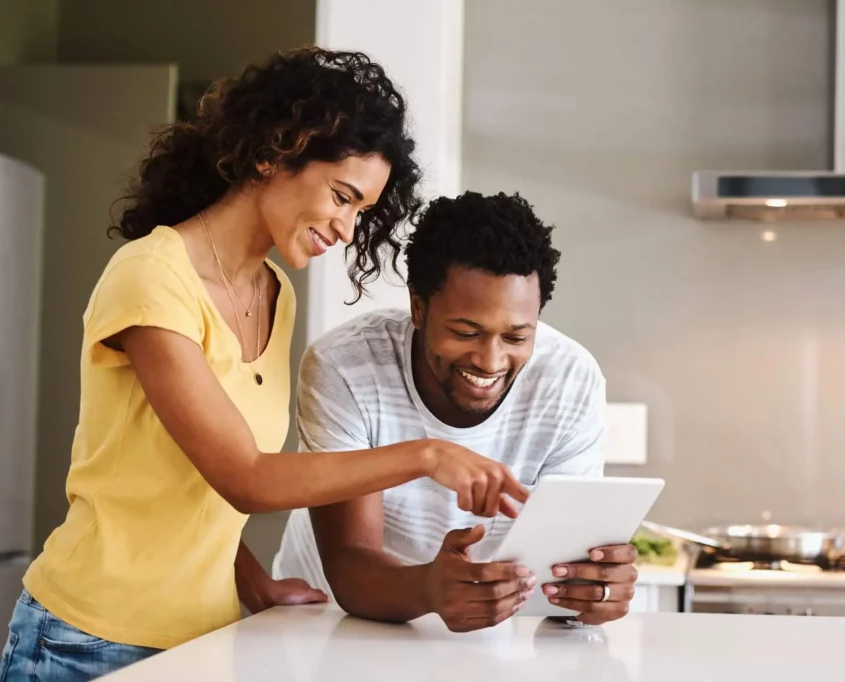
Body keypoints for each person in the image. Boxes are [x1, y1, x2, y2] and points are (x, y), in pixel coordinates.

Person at [0, 48, 526, 682]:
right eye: (341, 195)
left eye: (361, 212)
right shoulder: (152, 276)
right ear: (275, 151)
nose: (346, 227)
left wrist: (257, 586)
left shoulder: (274, 295)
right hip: (86, 640)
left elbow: (197, 498)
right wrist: (426, 454)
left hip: (208, 639)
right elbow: (244, 477)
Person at [271, 191, 639, 632]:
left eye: (517, 337)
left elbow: (560, 568)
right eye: (466, 332)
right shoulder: (346, 365)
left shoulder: (570, 378)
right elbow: (352, 565)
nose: (490, 360)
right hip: (326, 621)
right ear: (419, 307)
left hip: (479, 626)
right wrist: (429, 588)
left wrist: (592, 589)